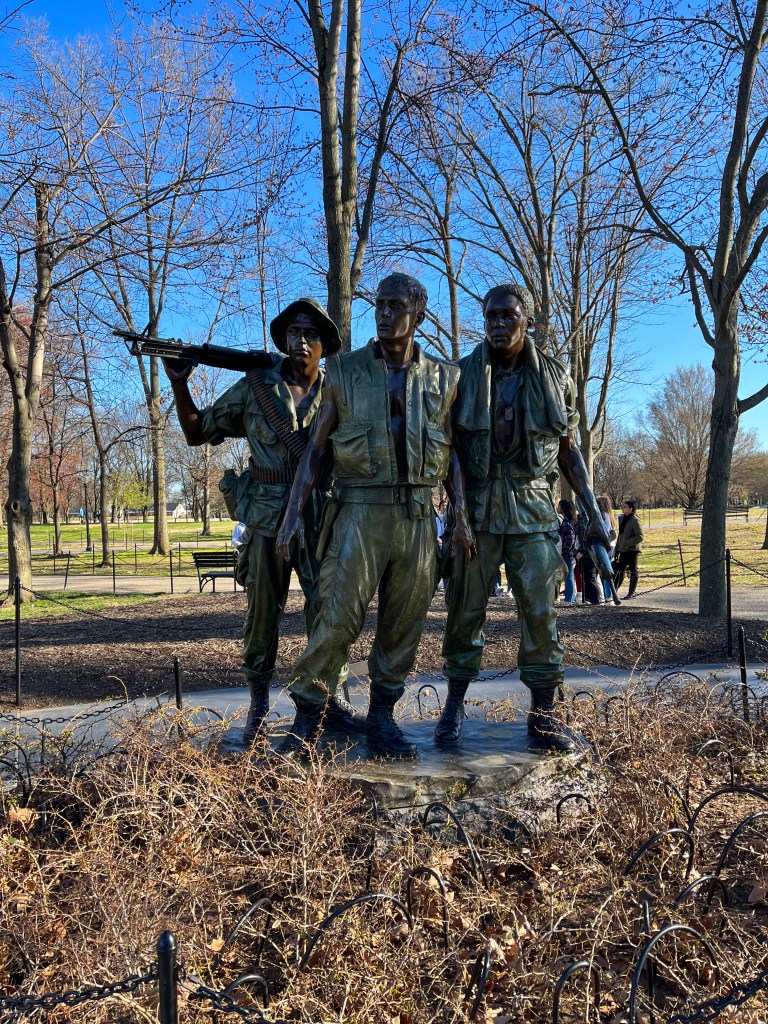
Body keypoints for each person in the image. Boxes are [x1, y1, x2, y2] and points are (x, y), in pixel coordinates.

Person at [276, 273, 475, 758]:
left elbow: (452, 453)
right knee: (338, 615)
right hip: (359, 511)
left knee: (403, 622)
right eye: (379, 305)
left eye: (395, 306)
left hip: (416, 514)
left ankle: (382, 718)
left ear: (419, 314)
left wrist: (463, 514)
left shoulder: (445, 378)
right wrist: (291, 516)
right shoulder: (343, 372)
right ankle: (308, 714)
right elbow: (316, 452)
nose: (384, 314)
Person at [162, 297, 358, 745]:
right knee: (262, 615)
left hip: (319, 517)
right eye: (293, 332)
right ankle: (257, 705)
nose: (301, 341)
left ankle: (329, 699)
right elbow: (196, 433)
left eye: (310, 333)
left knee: (329, 609)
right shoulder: (255, 388)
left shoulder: (341, 391)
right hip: (266, 515)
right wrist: (179, 384)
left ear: (325, 344)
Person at [435, 283, 610, 753]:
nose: (496, 324)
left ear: (527, 321)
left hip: (533, 511)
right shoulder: (460, 375)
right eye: (490, 316)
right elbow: (448, 450)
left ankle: (544, 715)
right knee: (465, 610)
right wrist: (460, 516)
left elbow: (570, 454)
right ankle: (452, 706)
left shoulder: (556, 377)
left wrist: (593, 512)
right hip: (478, 511)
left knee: (540, 611)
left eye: (507, 316)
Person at [614, 499, 644, 599]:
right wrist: (617, 549)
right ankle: (614, 591)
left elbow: (640, 536)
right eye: (623, 507)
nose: (623, 509)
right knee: (620, 571)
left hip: (632, 550)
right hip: (623, 550)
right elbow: (621, 535)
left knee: (633, 571)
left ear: (631, 509)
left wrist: (627, 543)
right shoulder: (624, 519)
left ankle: (632, 592)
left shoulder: (635, 519)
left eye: (625, 507)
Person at [597, 495, 618, 601]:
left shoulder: (604, 516)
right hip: (610, 544)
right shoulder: (609, 515)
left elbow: (603, 530)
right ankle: (608, 594)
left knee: (606, 570)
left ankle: (608, 595)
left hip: (606, 545)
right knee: (606, 569)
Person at [557, 499, 578, 604]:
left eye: (559, 506)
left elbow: (570, 539)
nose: (557, 508)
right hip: (569, 554)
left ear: (563, 509)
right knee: (569, 576)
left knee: (568, 577)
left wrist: (564, 550)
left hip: (567, 554)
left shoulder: (566, 523)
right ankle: (571, 598)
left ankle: (569, 599)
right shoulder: (569, 522)